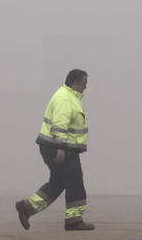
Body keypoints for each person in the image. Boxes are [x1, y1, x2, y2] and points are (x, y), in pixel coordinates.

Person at [15, 69, 93, 231]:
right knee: (74, 181)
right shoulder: (65, 98)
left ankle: (27, 207)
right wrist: (60, 148)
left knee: (58, 183)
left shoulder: (68, 96)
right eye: (84, 84)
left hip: (57, 147)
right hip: (59, 148)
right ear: (75, 83)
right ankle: (74, 220)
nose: (86, 87)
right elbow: (59, 125)